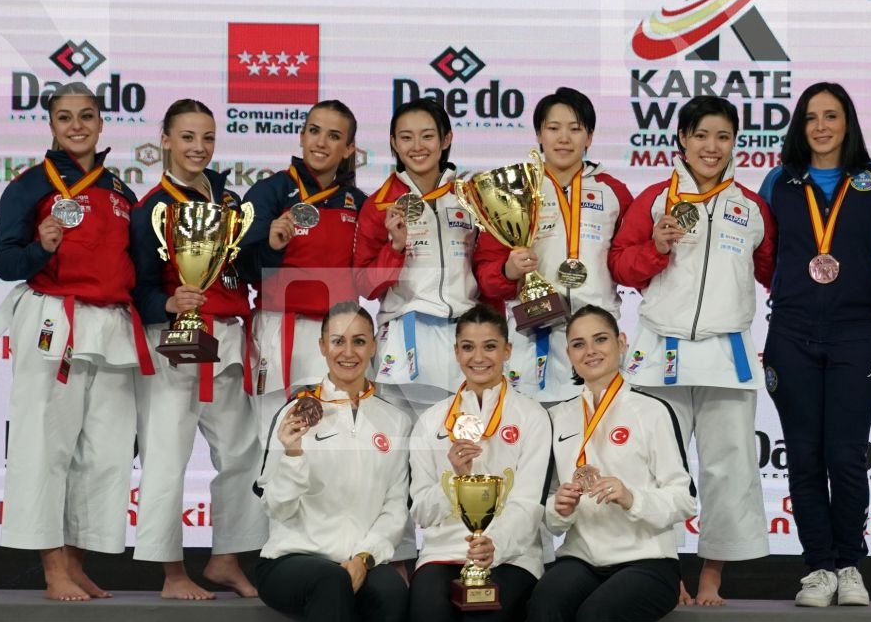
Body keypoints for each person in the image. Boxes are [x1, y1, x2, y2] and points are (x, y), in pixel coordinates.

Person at [0, 81, 154, 601]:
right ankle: (52, 569)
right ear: (51, 125)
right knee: (45, 446)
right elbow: (4, 262)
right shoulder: (30, 186)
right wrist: (40, 247)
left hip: (112, 326)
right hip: (53, 320)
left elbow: (136, 271)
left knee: (107, 452)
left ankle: (78, 561)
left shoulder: (121, 192)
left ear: (102, 123)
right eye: (65, 117)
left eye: (86, 116)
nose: (77, 126)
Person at [610, 94, 775, 606]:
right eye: (701, 135)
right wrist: (655, 247)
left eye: (723, 136)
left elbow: (773, 272)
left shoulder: (752, 208)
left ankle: (711, 575)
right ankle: (665, 571)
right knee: (655, 469)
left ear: (735, 142)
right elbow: (621, 266)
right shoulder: (654, 199)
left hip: (728, 355)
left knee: (729, 469)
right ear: (682, 138)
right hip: (661, 351)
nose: (711, 146)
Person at [528, 306, 696, 622]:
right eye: (578, 344)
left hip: (648, 560)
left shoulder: (653, 411)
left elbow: (684, 499)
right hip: (583, 555)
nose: (591, 351)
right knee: (544, 604)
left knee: (599, 616)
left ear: (622, 343)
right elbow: (550, 514)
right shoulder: (557, 417)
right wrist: (558, 508)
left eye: (600, 339)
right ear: (568, 354)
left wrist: (631, 497)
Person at [255, 302, 412, 622]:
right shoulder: (295, 412)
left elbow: (395, 506)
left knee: (392, 595)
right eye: (338, 341)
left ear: (373, 347)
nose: (349, 351)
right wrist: (292, 453)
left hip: (361, 558)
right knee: (329, 583)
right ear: (322, 347)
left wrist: (366, 558)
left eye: (359, 340)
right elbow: (277, 507)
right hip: (293, 559)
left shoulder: (395, 420)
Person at [758, 83, 871, 608]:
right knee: (803, 456)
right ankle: (819, 566)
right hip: (791, 331)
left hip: (856, 332)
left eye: (831, 116)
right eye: (811, 117)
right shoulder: (779, 181)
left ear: (848, 122)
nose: (821, 126)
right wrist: (792, 288)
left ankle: (850, 564)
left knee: (845, 455)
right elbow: (766, 253)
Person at [404, 305, 550, 622]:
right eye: (468, 347)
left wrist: (495, 545)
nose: (479, 357)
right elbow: (422, 511)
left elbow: (529, 503)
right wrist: (453, 476)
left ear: (508, 351)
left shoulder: (532, 418)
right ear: (456, 352)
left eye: (490, 346)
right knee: (427, 611)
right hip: (444, 550)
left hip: (512, 557)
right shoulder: (432, 422)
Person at [129, 99, 266, 599]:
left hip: (228, 337)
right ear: (165, 140)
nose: (198, 147)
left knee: (243, 454)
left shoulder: (229, 203)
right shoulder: (150, 210)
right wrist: (168, 302)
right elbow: (138, 286)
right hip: (175, 342)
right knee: (167, 457)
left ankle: (226, 558)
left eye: (207, 137)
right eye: (187, 137)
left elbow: (245, 270)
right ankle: (171, 572)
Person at [473, 87, 632, 404]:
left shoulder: (613, 191)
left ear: (589, 137)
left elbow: (627, 261)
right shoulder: (515, 190)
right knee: (531, 430)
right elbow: (486, 272)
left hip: (596, 338)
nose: (564, 139)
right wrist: (508, 270)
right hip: (534, 334)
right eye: (554, 128)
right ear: (539, 134)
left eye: (575, 129)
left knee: (597, 429)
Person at [241, 101, 365, 437]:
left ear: (348, 148)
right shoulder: (270, 191)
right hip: (280, 329)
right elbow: (244, 270)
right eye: (314, 131)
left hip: (337, 335)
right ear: (301, 135)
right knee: (274, 435)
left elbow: (368, 278)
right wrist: (271, 246)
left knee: (336, 438)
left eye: (334, 136)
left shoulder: (357, 202)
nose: (321, 142)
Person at [354, 97, 478, 412]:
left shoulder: (472, 198)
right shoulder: (379, 204)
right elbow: (365, 285)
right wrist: (394, 248)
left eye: (427, 136)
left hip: (466, 335)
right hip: (405, 334)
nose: (417, 146)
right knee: (402, 437)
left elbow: (487, 271)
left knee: (465, 435)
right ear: (393, 143)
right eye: (406, 137)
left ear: (446, 139)